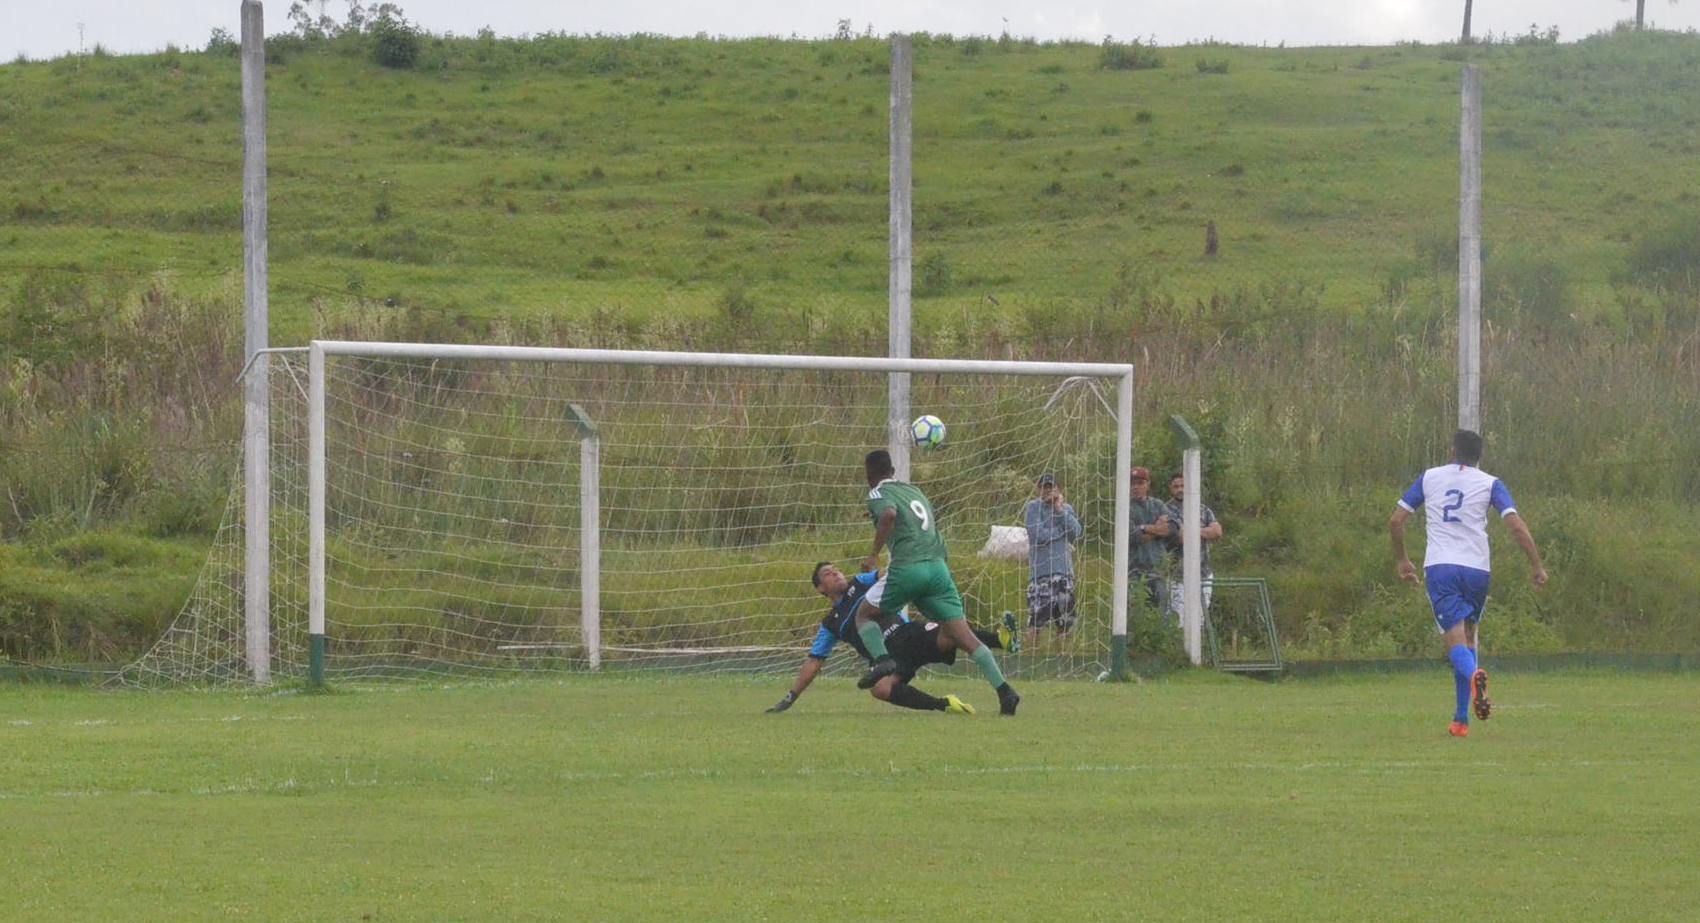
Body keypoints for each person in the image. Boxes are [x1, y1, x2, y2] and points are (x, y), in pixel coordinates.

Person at [1389, 429, 1548, 738]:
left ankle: (1475, 675)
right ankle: (1461, 720)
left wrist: (1402, 560)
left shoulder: (1430, 477)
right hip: (1477, 569)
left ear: (1452, 450)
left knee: (1454, 644)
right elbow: (1516, 526)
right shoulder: (1490, 483)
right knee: (1469, 639)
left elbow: (1396, 521)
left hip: (1442, 567)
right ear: (1480, 456)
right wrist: (1536, 565)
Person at [853, 450, 1022, 716]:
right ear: (893, 470)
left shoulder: (876, 494)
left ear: (868, 474)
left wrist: (874, 554)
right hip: (938, 568)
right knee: (963, 635)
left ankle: (883, 661)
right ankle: (1005, 692)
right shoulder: (915, 492)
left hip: (909, 567)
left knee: (864, 615)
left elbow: (887, 514)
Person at [765, 563, 1006, 715]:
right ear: (820, 588)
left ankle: (1001, 640)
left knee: (950, 632)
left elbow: (888, 573)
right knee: (880, 688)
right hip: (888, 660)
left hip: (907, 636)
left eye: (837, 570)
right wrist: (791, 696)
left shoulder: (859, 582)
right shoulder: (830, 624)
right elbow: (814, 661)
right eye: (828, 574)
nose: (836, 573)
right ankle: (944, 705)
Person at [1020, 472, 1084, 651]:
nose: (1048, 490)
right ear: (1038, 489)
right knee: (1036, 623)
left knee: (1065, 624)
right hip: (1041, 575)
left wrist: (1059, 509)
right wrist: (1060, 532)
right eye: (1044, 486)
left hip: (1065, 574)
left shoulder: (1066, 509)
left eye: (1051, 486)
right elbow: (1037, 536)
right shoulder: (1033, 508)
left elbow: (1077, 532)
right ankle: (1027, 661)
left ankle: (1062, 664)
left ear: (1059, 488)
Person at [1164, 471, 1223, 623]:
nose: (1180, 489)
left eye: (1183, 485)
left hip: (1203, 573)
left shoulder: (1202, 509)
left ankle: (1198, 647)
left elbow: (1217, 531)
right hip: (1178, 575)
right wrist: (1204, 531)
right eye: (1176, 486)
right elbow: (1182, 537)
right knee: (1180, 620)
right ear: (1171, 489)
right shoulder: (1166, 510)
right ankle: (1181, 647)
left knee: (1200, 620)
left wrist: (1192, 530)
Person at [1128, 466, 1173, 612]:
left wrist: (1143, 528)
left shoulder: (1158, 505)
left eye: (1140, 483)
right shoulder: (1125, 507)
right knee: (1136, 613)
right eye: (1132, 483)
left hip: (1157, 570)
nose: (1135, 487)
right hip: (1134, 572)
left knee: (1161, 613)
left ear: (1148, 484)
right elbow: (1133, 536)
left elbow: (1168, 529)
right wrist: (1155, 529)